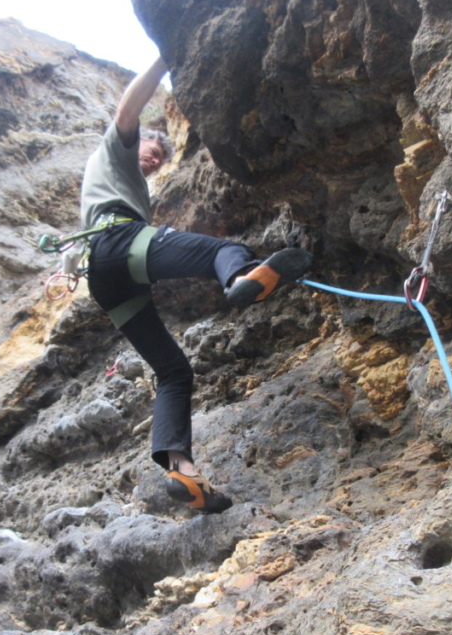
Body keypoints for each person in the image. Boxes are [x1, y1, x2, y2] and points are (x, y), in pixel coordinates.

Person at [80, 56, 311, 514]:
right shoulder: (113, 153)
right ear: (137, 141)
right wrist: (163, 60)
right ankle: (241, 277)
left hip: (104, 279)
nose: (155, 157)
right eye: (152, 148)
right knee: (221, 250)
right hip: (118, 241)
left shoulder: (120, 184)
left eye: (161, 157)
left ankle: (182, 471)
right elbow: (127, 112)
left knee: (173, 372)